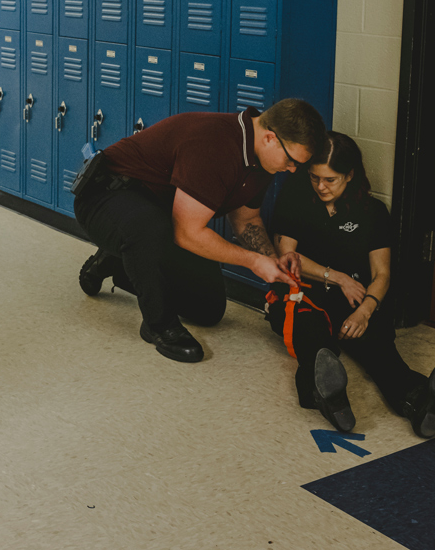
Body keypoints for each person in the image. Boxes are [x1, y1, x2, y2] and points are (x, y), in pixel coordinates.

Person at [75, 99, 327, 363]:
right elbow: (186, 233)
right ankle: (159, 325)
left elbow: (247, 219)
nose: (292, 169)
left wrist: (271, 259)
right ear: (270, 138)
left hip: (160, 215)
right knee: (149, 230)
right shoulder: (216, 144)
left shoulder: (262, 160)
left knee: (208, 308)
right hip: (106, 197)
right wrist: (253, 261)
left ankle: (116, 261)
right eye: (291, 160)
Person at [267, 131, 435, 436]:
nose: (320, 186)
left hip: (355, 300)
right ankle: (331, 398)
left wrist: (366, 311)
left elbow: (381, 273)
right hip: (305, 294)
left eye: (330, 179)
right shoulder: (296, 198)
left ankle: (422, 403)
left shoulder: (373, 212)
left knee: (379, 351)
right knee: (315, 347)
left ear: (350, 175)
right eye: (315, 177)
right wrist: (338, 277)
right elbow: (287, 255)